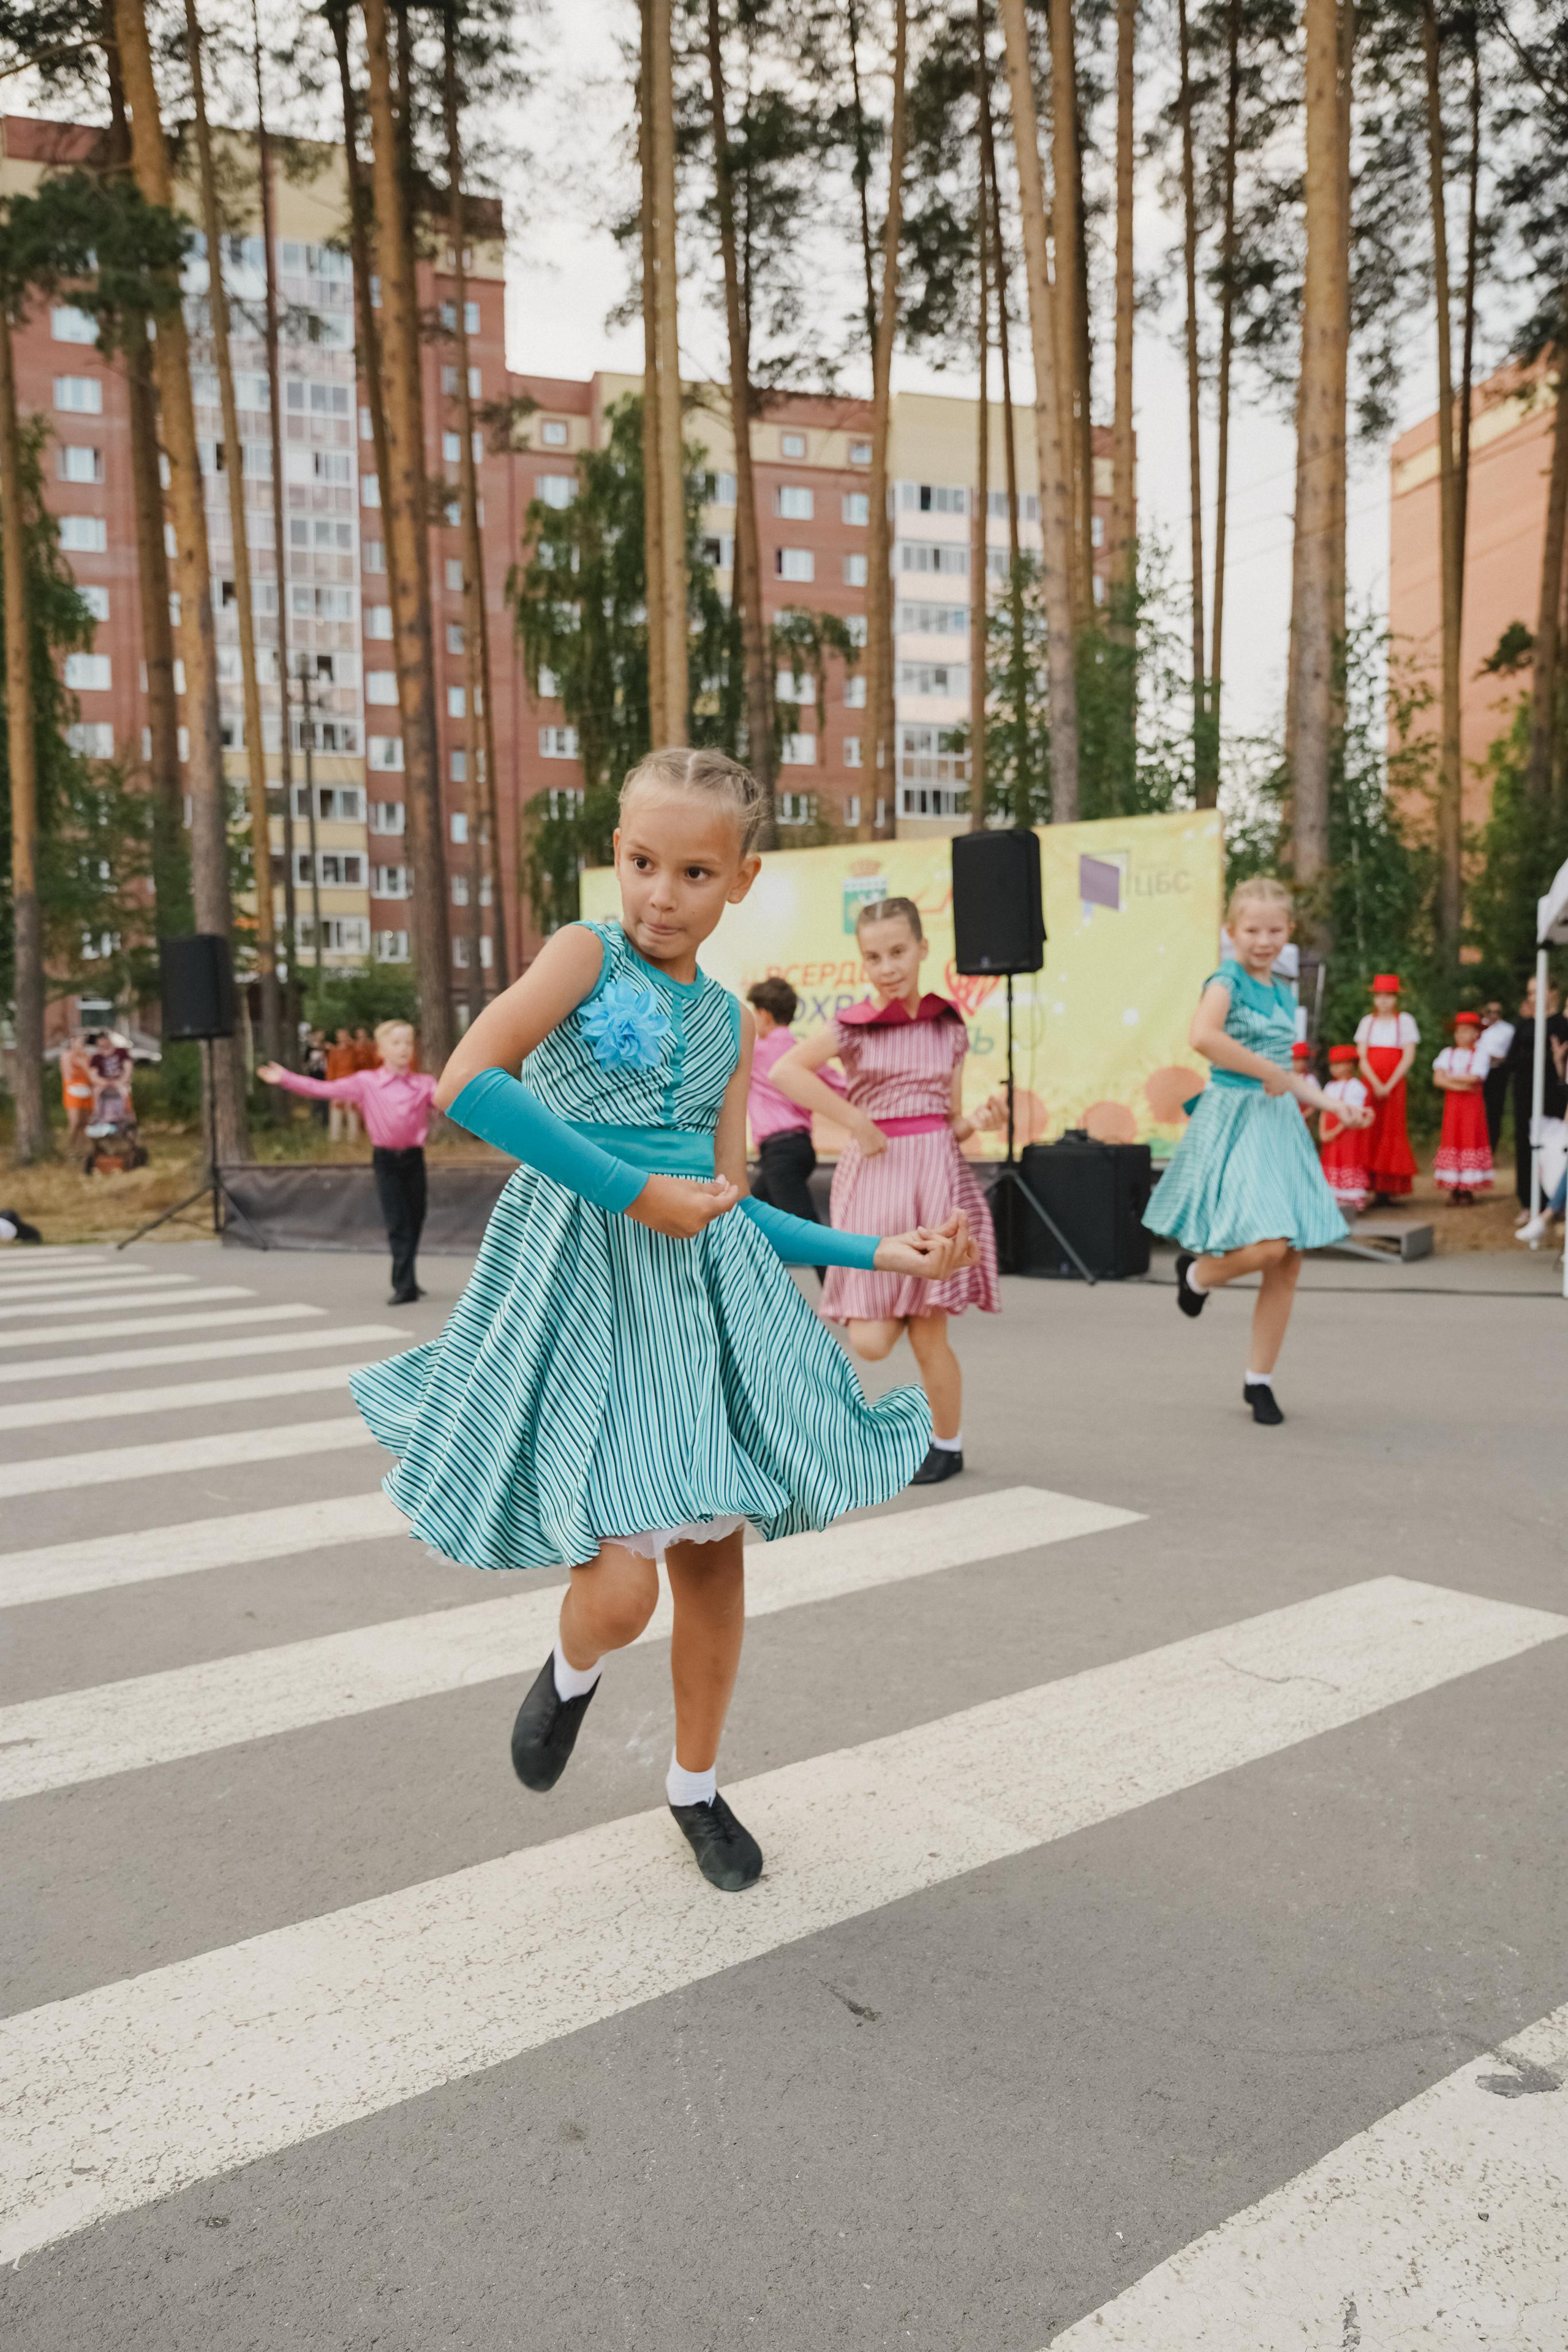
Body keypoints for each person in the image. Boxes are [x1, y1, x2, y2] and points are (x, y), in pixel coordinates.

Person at [347, 748, 974, 1895]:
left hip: (697, 1310)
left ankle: (695, 1784)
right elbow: (469, 1082)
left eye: (693, 872)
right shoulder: (583, 953)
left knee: (716, 1568)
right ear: (617, 855)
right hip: (585, 1280)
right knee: (625, 1587)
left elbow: (733, 1212)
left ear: (740, 880)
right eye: (641, 862)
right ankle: (570, 1667)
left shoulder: (733, 1026)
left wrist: (879, 1249)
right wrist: (637, 1192)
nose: (659, 895)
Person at [767, 896, 1005, 1488]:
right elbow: (785, 1072)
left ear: (923, 949)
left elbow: (949, 1120)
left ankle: (946, 1444)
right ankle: (906, 1301)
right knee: (869, 1342)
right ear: (862, 963)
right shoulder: (852, 1027)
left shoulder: (948, 1024)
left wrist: (981, 1119)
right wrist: (856, 1122)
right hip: (874, 1180)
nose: (887, 966)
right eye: (873, 956)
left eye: (898, 952)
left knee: (931, 1333)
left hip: (935, 1176)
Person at [1144, 876, 1373, 1427]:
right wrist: (1268, 1071)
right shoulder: (1227, 980)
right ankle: (1197, 1276)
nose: (1263, 940)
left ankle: (1259, 1381)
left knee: (1289, 1259)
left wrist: (1334, 1105)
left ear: (1288, 932)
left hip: (1279, 1122)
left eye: (1274, 930)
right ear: (1232, 932)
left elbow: (1283, 1073)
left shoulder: (1282, 989)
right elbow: (1203, 1037)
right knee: (1269, 1245)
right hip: (1236, 1117)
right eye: (1252, 930)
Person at [258, 1020, 437, 1303]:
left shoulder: (424, 1084)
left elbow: (449, 1101)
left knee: (416, 1219)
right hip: (387, 1161)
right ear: (380, 1050)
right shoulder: (366, 1082)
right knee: (398, 1222)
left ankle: (410, 1278)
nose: (404, 1048)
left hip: (415, 1159)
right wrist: (287, 1078)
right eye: (396, 1043)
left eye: (408, 1042)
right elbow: (324, 1090)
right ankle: (403, 1285)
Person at [744, 974, 848, 1283]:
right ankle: (748, 1289)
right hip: (800, 1149)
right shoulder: (803, 1053)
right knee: (745, 1218)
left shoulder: (755, 1052)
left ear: (763, 1014)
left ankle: (842, 1292)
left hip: (780, 1153)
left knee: (805, 1228)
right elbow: (842, 1086)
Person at [1504, 978, 1568, 1212]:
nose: (1532, 997)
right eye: (1529, 993)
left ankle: (1553, 1199)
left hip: (1552, 1093)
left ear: (1552, 992)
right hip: (1525, 1092)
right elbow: (1511, 1060)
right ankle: (1528, 1201)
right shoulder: (1525, 1025)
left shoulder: (1562, 1024)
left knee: (1551, 1145)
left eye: (1537, 992)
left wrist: (1555, 1061)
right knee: (1525, 1144)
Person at [1355, 975, 1419, 1205]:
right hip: (1370, 1082)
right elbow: (1361, 1057)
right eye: (1379, 996)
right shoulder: (1367, 1022)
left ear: (1395, 999)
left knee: (1392, 1129)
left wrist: (1389, 1084)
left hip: (1394, 1084)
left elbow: (1408, 1056)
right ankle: (1369, 1185)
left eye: (1388, 996)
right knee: (1370, 1129)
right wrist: (1375, 1083)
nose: (1383, 1001)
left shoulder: (1405, 1021)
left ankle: (1388, 1187)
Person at [1431, 1010, 1493, 1204]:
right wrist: (1459, 1084)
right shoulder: (1447, 1053)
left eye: (1466, 1031)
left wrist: (1449, 1077)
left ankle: (1468, 1189)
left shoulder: (1481, 1055)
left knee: (1469, 1138)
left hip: (1471, 1107)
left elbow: (1475, 1078)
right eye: (1459, 1031)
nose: (1461, 1035)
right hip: (1454, 1105)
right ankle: (1454, 1187)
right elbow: (1438, 1079)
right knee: (1452, 1138)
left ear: (1476, 1034)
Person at [1318, 1045, 1372, 1215]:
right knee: (1331, 1161)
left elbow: (1354, 1116)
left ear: (1350, 1065)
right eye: (1333, 1065)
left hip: (1348, 1134)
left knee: (1348, 1160)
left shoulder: (1356, 1087)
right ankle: (1333, 1200)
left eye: (1339, 1064)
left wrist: (1337, 1130)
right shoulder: (1329, 1087)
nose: (1335, 1068)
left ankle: (1352, 1201)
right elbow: (1324, 1111)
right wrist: (1324, 1132)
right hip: (1331, 1133)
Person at [1477, 999, 1514, 1153]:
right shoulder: (1478, 1027)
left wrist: (1498, 1059)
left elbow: (1512, 1052)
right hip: (1479, 1072)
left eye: (1497, 1012)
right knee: (1478, 1109)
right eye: (1491, 1012)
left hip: (1498, 1072)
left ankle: (1492, 1149)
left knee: (1495, 1111)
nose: (1494, 1015)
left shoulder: (1508, 1030)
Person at [60, 1030, 96, 1158]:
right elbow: (69, 1074)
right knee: (75, 1122)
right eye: (78, 1041)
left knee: (86, 1123)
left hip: (87, 1091)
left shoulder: (87, 1056)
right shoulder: (67, 1056)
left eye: (82, 1041)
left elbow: (92, 1075)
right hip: (73, 1091)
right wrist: (82, 1064)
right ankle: (70, 1148)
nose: (80, 1044)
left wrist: (84, 1064)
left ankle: (84, 1150)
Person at [325, 1027, 361, 1144]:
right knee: (336, 1108)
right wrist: (330, 1085)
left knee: (352, 1109)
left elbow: (362, 1060)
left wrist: (352, 1043)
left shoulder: (354, 1050)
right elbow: (331, 1068)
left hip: (352, 1082)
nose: (343, 1038)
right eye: (341, 1036)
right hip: (338, 1083)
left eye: (345, 1035)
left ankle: (353, 1138)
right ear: (337, 1038)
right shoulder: (334, 1051)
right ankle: (335, 1137)